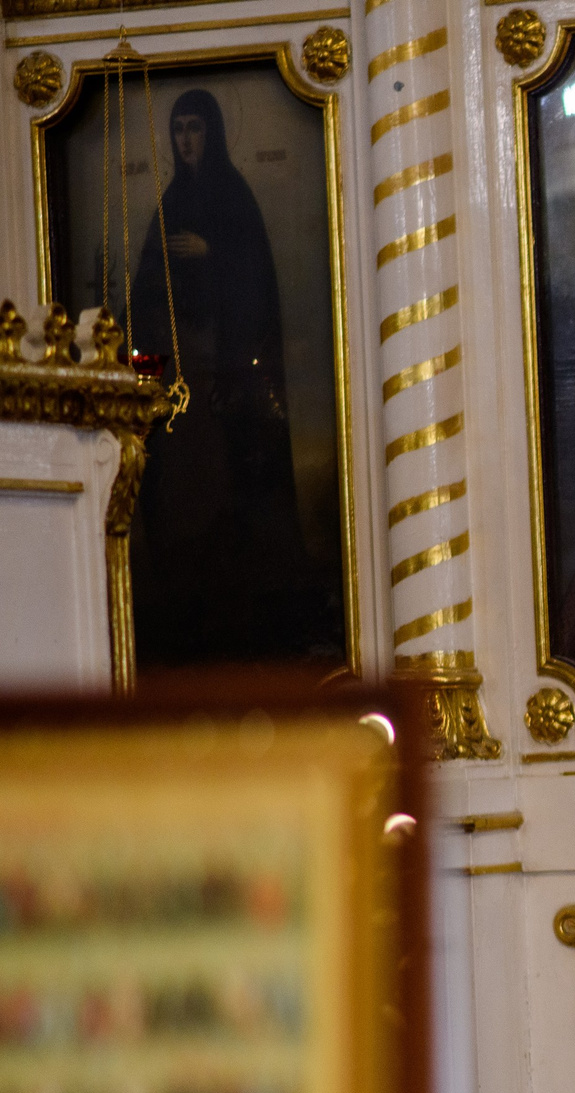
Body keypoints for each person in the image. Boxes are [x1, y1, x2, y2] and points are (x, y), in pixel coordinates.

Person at [126, 87, 337, 668]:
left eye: (195, 129)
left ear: (213, 133)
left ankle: (262, 617)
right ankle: (193, 618)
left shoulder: (235, 198)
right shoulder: (170, 204)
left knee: (246, 501)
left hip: (234, 380)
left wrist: (212, 254)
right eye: (179, 130)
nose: (186, 140)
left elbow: (256, 284)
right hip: (186, 380)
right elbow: (147, 289)